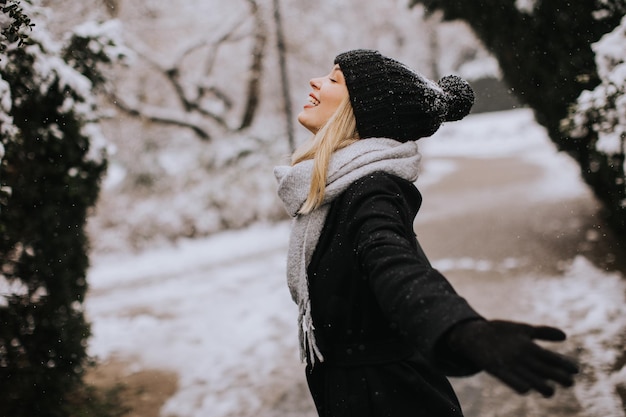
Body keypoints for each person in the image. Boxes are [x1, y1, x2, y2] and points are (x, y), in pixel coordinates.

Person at [274, 49, 578, 417]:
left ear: (362, 112)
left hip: (391, 401)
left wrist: (461, 330)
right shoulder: (337, 191)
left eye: (335, 79)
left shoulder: (372, 191)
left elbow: (395, 267)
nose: (315, 82)